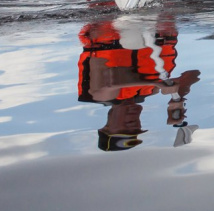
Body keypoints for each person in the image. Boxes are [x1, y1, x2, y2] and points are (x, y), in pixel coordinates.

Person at [78, 15, 199, 152]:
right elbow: (193, 74)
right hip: (157, 20)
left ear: (106, 127)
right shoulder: (150, 90)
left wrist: (158, 83)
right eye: (137, 128)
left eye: (124, 129)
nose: (133, 126)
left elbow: (111, 80)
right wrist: (178, 96)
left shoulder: (99, 95)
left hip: (111, 20)